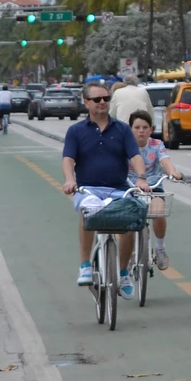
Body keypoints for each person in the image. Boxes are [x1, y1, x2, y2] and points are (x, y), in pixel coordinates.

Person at [60, 81, 149, 295]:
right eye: (97, 99)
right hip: (89, 188)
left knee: (128, 218)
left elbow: (135, 156)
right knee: (87, 212)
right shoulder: (76, 131)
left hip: (118, 189)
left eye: (106, 99)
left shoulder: (122, 129)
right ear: (86, 102)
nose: (102, 103)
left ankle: (124, 272)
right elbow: (68, 158)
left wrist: (142, 178)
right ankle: (85, 266)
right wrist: (70, 179)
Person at [127, 110, 184, 269]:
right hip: (130, 187)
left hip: (153, 186)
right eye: (137, 127)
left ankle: (160, 249)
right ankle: (130, 252)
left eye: (145, 127)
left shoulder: (157, 145)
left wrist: (173, 172)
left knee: (159, 212)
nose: (141, 131)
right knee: (126, 219)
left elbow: (165, 160)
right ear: (130, 129)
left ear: (151, 130)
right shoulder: (124, 145)